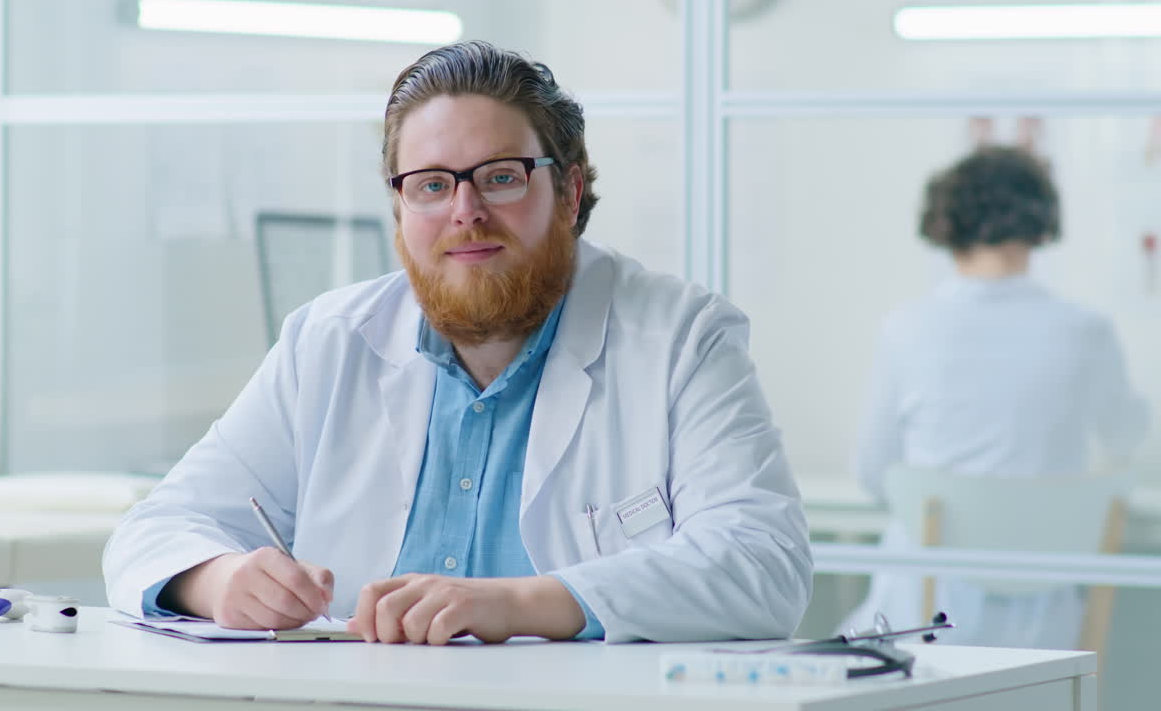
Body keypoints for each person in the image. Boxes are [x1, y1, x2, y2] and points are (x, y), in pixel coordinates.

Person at [103, 40, 812, 645]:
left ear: (568, 193)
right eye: (432, 185)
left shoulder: (680, 338)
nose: (465, 213)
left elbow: (764, 564)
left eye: (501, 178)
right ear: (399, 207)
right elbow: (157, 527)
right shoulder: (326, 341)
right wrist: (217, 579)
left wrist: (523, 603)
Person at [841, 145, 1150, 648]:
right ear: (1040, 225)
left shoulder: (907, 329)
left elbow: (875, 474)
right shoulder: (1084, 331)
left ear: (946, 225)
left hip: (922, 619)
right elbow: (1126, 437)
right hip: (1045, 632)